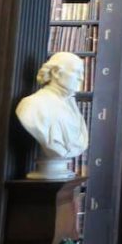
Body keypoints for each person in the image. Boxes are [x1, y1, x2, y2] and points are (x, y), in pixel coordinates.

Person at [15, 51, 89, 179]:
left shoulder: (72, 107)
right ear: (56, 73)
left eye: (82, 73)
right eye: (77, 72)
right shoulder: (32, 105)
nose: (82, 78)